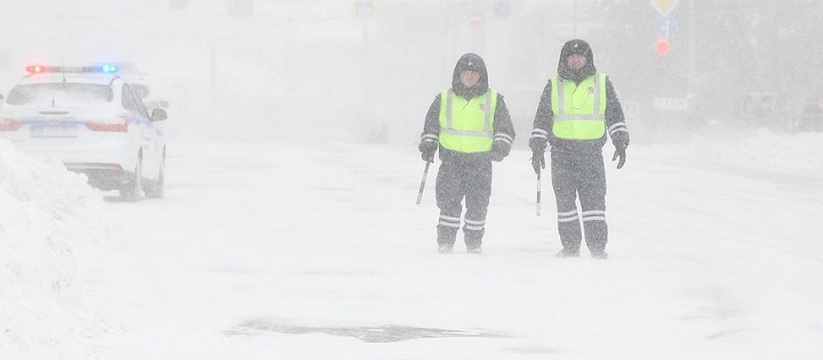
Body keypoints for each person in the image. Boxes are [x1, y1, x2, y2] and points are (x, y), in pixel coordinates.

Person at [528, 39, 629, 259]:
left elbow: (614, 114)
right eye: (571, 56)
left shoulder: (602, 83)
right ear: (564, 59)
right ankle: (570, 247)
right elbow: (542, 119)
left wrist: (620, 140)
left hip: (590, 154)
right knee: (565, 204)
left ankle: (597, 248)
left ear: (588, 58)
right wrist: (537, 146)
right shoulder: (554, 85)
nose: (575, 59)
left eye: (580, 56)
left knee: (594, 203)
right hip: (561, 154)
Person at [418, 53, 516, 254]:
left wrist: (500, 147)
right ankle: (445, 241)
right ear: (459, 75)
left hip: (480, 162)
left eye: (474, 73)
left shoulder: (494, 99)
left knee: (478, 205)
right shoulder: (444, 99)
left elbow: (504, 128)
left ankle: (473, 243)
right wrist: (429, 145)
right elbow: (431, 125)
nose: (470, 77)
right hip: (452, 160)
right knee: (448, 203)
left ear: (482, 76)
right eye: (466, 73)